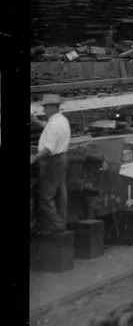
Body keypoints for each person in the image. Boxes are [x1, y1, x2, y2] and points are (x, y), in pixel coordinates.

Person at [31, 93, 71, 235]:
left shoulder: (54, 124)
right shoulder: (61, 120)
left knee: (46, 196)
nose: (44, 110)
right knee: (60, 194)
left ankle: (54, 226)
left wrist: (34, 158)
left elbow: (49, 148)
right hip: (60, 159)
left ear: (53, 107)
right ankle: (61, 225)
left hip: (52, 161)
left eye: (46, 107)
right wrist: (36, 121)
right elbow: (48, 127)